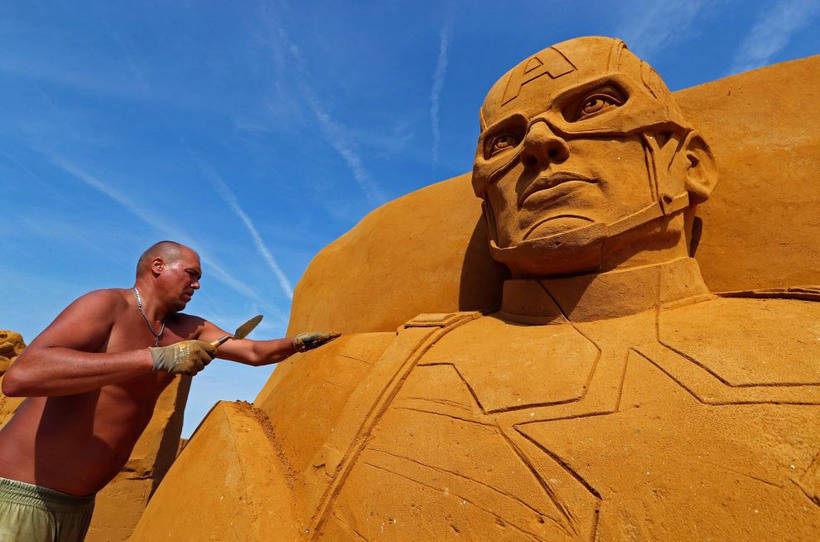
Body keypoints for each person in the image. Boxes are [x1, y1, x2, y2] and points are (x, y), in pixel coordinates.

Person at [132, 37, 818, 541]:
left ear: (690, 164)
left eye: (594, 106)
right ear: (489, 205)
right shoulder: (362, 377)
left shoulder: (798, 346)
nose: (543, 145)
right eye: (505, 140)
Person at [0, 240, 338, 541]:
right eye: (191, 274)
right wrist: (155, 358)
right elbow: (21, 377)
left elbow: (253, 352)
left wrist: (298, 343)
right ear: (157, 267)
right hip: (19, 497)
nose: (197, 284)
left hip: (77, 508)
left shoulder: (189, 328)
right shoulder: (106, 306)